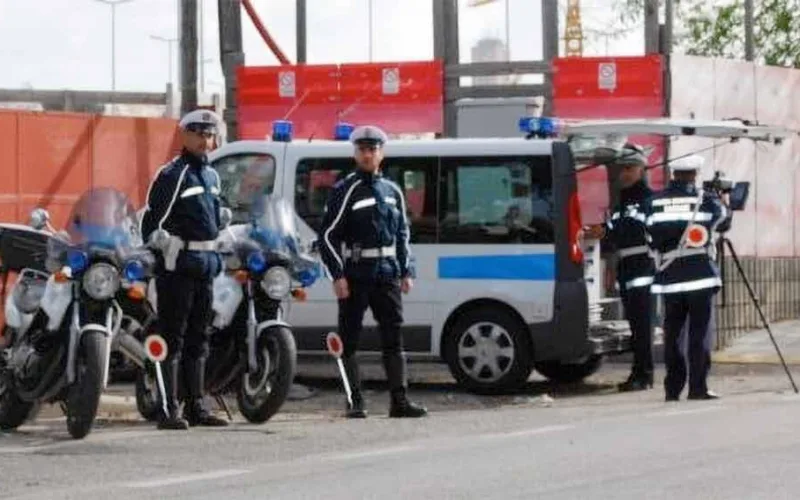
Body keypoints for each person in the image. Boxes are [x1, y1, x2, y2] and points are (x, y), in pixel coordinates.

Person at [318, 125, 427, 419]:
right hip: (356, 274)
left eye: (373, 149)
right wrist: (337, 275)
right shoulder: (346, 189)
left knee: (393, 337)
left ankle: (400, 401)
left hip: (387, 273)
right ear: (355, 153)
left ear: (382, 153)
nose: (368, 155)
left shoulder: (392, 191)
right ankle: (355, 401)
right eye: (363, 150)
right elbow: (327, 236)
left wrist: (407, 270)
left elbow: (403, 233)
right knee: (349, 340)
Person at [140, 109, 229, 429]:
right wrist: (160, 242)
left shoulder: (212, 176)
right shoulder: (172, 174)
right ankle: (167, 409)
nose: (206, 141)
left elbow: (215, 220)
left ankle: (196, 407)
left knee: (199, 339)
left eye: (210, 135)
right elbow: (152, 222)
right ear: (186, 136)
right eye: (199, 134)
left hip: (205, 268)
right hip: (177, 268)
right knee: (172, 339)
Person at [642, 154, 731, 402]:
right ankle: (698, 388)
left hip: (669, 278)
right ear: (694, 174)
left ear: (673, 174)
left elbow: (649, 236)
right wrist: (724, 198)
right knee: (699, 334)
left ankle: (672, 389)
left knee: (673, 335)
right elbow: (723, 223)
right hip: (701, 276)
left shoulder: (654, 202)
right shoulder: (706, 201)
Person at [583, 143, 655, 391]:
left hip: (642, 268)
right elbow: (614, 232)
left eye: (628, 168)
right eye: (621, 169)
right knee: (636, 326)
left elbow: (636, 229)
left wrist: (609, 230)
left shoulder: (647, 199)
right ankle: (639, 373)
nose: (623, 173)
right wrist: (603, 233)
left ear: (641, 169)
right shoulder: (623, 200)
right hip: (627, 266)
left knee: (642, 326)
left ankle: (643, 375)